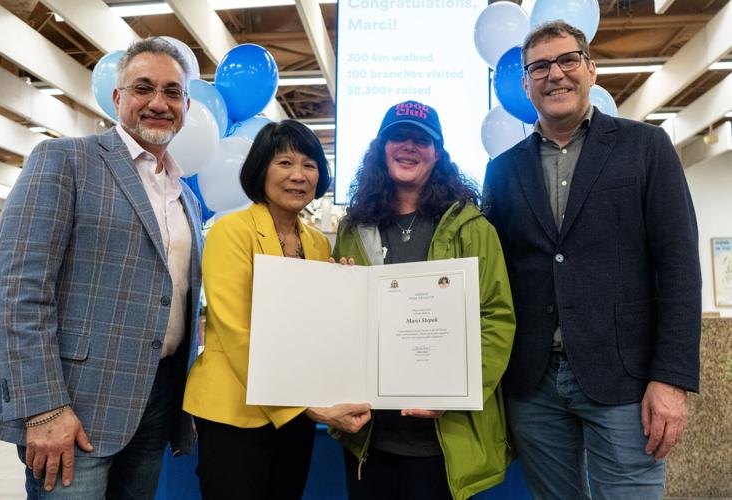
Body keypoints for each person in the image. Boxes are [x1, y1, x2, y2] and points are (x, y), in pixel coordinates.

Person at [482, 21, 702, 500]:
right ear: (525, 83)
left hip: (627, 379)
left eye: (567, 60)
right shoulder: (501, 171)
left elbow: (680, 269)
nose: (554, 74)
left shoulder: (645, 148)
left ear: (590, 68)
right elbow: (490, 276)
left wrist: (671, 379)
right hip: (533, 383)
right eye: (539, 66)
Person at [0, 37, 204, 499]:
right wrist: (43, 408)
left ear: (186, 104)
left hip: (155, 401)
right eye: (143, 88)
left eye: (172, 91)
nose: (158, 102)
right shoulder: (65, 160)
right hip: (72, 409)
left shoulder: (187, 198)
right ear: (118, 98)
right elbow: (16, 288)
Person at [333, 100, 516, 499]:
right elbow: (336, 324)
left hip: (444, 439)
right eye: (398, 136)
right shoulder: (355, 227)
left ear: (438, 154)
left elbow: (497, 318)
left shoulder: (472, 228)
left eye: (422, 139)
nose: (409, 146)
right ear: (381, 148)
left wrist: (459, 389)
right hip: (370, 437)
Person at [183, 120, 371, 500]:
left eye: (309, 165)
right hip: (235, 414)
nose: (298, 176)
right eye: (284, 163)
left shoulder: (317, 244)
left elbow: (314, 329)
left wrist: (343, 291)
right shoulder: (231, 232)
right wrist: (304, 405)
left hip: (294, 419)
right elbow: (237, 333)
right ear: (260, 170)